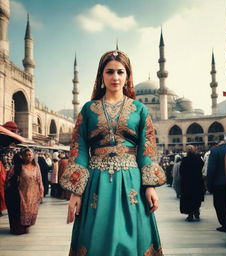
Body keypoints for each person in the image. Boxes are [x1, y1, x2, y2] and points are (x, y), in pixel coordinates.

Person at [60, 50, 166, 256]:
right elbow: (79, 149)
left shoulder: (139, 109)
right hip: (96, 182)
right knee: (95, 237)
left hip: (131, 182)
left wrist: (150, 186)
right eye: (109, 72)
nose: (115, 77)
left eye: (120, 72)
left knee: (133, 236)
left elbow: (147, 150)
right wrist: (76, 191)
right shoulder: (88, 109)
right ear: (101, 75)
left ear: (127, 76)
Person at [5, 148, 44, 235]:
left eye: (30, 155)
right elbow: (9, 178)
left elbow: (39, 179)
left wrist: (41, 191)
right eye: (26, 155)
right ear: (22, 156)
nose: (28, 157)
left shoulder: (36, 166)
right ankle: (23, 227)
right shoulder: (18, 167)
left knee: (31, 210)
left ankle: (28, 225)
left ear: (33, 156)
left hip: (34, 192)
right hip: (22, 192)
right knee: (24, 209)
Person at [207, 134, 226, 233]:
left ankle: (225, 225)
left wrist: (209, 185)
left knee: (220, 205)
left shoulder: (214, 151)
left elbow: (211, 170)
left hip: (219, 184)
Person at [180, 145, 205, 222]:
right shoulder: (198, 159)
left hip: (187, 182)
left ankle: (190, 214)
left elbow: (181, 171)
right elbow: (202, 167)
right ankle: (196, 211)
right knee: (196, 197)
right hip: (197, 182)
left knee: (188, 198)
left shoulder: (184, 160)